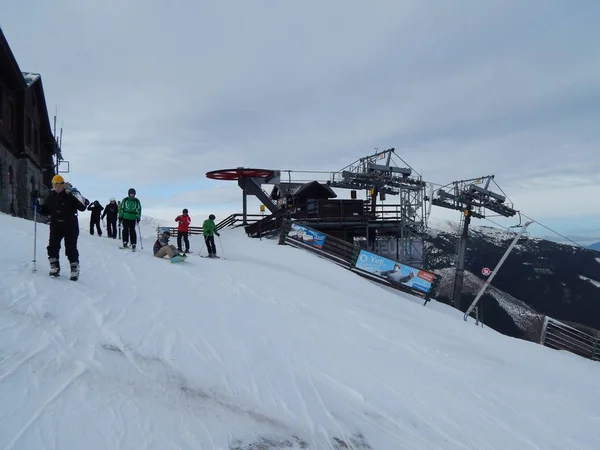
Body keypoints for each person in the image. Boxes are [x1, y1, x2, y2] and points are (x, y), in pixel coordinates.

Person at [37, 175, 88, 280]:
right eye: (54, 185)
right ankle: (54, 266)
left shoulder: (70, 196)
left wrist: (83, 200)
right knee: (53, 246)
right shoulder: (51, 196)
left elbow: (82, 208)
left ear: (63, 185)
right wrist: (38, 207)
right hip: (56, 224)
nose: (57, 187)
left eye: (59, 185)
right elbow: (46, 211)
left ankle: (74, 268)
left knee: (70, 247)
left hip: (71, 224)